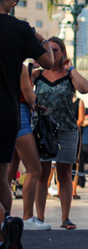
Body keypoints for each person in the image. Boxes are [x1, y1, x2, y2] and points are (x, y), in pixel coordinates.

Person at [0, 0, 54, 249]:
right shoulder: (20, 29)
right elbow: (49, 63)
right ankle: (6, 228)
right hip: (7, 114)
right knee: (2, 178)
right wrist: (41, 39)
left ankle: (4, 230)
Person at [33, 37, 88, 230]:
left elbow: (85, 88)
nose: (50, 52)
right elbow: (20, 88)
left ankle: (65, 217)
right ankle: (39, 218)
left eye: (55, 50)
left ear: (63, 53)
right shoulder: (37, 74)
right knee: (42, 174)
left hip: (66, 129)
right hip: (42, 130)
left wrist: (72, 68)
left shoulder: (69, 75)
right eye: (47, 49)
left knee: (65, 174)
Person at [7, 63, 48, 230]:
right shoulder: (20, 67)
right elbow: (30, 97)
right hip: (21, 117)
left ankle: (5, 218)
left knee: (8, 173)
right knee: (35, 170)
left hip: (9, 115)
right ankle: (27, 217)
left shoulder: (7, 63)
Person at [70, 94, 85, 200]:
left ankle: (73, 190)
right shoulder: (62, 99)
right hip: (61, 132)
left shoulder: (79, 102)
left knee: (76, 161)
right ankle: (60, 190)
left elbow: (81, 119)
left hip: (74, 132)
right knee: (60, 163)